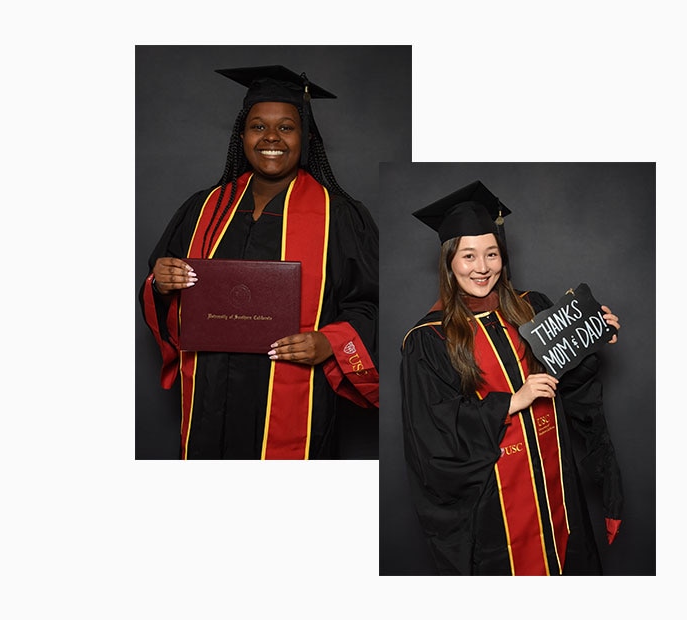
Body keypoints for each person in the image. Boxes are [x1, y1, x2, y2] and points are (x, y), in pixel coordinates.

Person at [140, 65, 379, 460]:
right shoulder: (203, 209)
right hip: (210, 395)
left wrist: (328, 342)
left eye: (286, 127)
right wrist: (161, 283)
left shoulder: (340, 216)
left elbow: (369, 302)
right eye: (257, 127)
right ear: (242, 136)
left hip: (296, 400)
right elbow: (160, 288)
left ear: (305, 137)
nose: (271, 138)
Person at [400, 180, 624, 575]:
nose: (482, 267)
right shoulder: (429, 338)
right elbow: (432, 434)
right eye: (468, 256)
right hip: (494, 507)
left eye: (491, 253)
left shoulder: (532, 308)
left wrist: (591, 337)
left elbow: (570, 387)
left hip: (557, 485)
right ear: (449, 261)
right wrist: (510, 402)